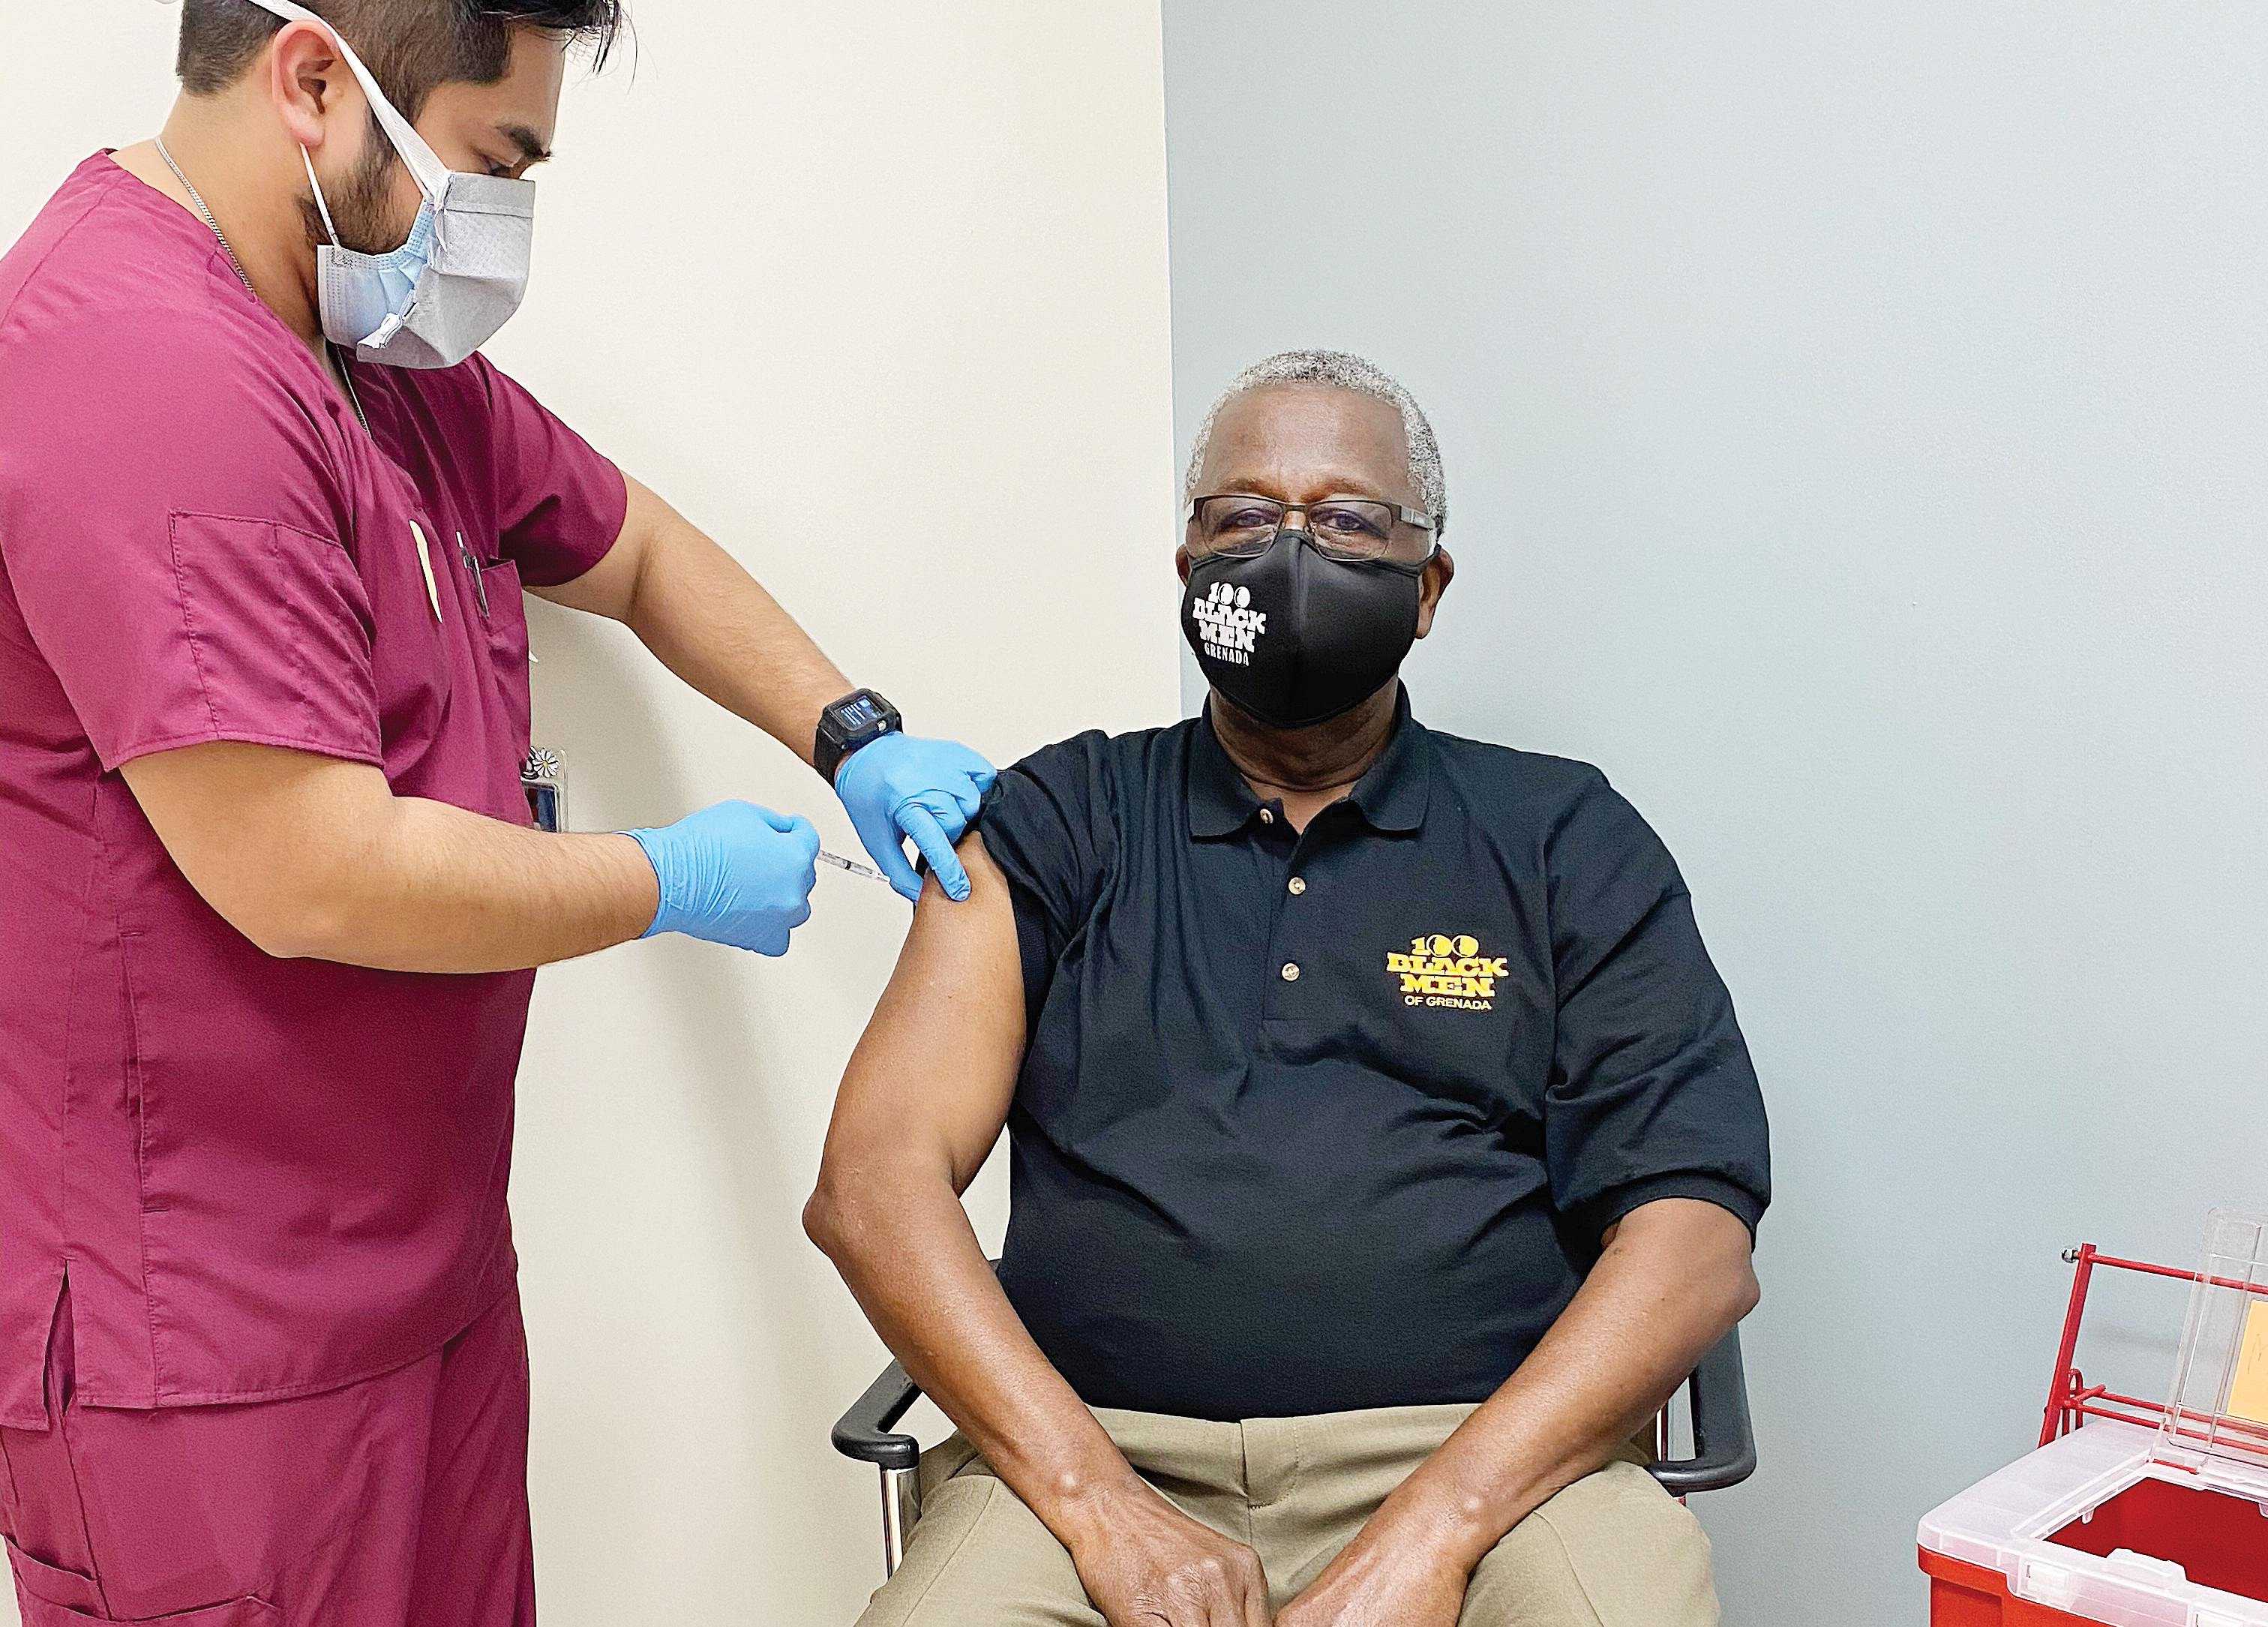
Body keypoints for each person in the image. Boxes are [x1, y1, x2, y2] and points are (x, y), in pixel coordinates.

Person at [0, 2, 993, 1622]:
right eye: (494, 163)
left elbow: (632, 545)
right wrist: (663, 877)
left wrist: (851, 730)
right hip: (214, 1348)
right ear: (314, 83)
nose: (506, 218)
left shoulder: (365, 351)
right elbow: (311, 870)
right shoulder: (143, 368)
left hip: (425, 1273)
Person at [807, 350, 1772, 1627]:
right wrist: (1099, 1503)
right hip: (1091, 1451)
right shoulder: (1058, 821)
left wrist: (1440, 1524)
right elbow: (872, 1183)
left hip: (1494, 1462)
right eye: (1243, 518)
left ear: (1428, 586)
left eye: (1350, 520)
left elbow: (1695, 1238)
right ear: (1188, 569)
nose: (1291, 552)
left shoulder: (1564, 839)